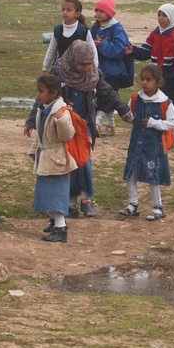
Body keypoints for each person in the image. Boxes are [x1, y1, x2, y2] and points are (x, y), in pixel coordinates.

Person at [52, 41, 131, 218]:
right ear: (73, 61)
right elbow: (46, 93)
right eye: (82, 64)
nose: (85, 68)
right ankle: (71, 203)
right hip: (65, 124)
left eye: (89, 64)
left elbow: (108, 92)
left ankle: (86, 200)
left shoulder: (94, 75)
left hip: (85, 125)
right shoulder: (59, 72)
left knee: (84, 159)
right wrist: (32, 120)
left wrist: (123, 109)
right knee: (69, 162)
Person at [119, 65, 174, 221]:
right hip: (136, 142)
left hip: (154, 146)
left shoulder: (164, 102)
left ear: (157, 82)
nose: (144, 83)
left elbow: (172, 122)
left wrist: (154, 123)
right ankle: (132, 203)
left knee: (153, 174)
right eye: (142, 79)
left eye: (148, 80)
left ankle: (158, 206)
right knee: (131, 172)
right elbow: (131, 114)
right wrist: (127, 117)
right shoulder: (136, 98)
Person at [29, 74, 79, 243]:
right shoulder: (43, 109)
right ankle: (54, 221)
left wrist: (61, 120)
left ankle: (60, 227)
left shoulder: (60, 112)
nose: (38, 94)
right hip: (45, 157)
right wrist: (32, 150)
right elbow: (40, 133)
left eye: (41, 91)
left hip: (56, 160)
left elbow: (67, 136)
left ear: (53, 93)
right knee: (45, 193)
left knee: (55, 195)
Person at [131, 3, 174, 114]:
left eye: (164, 15)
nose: (161, 18)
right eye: (159, 15)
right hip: (157, 74)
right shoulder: (155, 34)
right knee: (161, 98)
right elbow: (145, 52)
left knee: (169, 98)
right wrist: (132, 51)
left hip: (173, 75)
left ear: (172, 17)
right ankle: (170, 123)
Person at [91, 0, 131, 137]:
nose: (98, 14)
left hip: (114, 71)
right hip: (100, 70)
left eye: (102, 11)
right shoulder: (95, 28)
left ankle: (96, 123)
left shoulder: (117, 29)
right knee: (107, 98)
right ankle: (111, 126)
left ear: (110, 13)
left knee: (103, 98)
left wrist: (101, 45)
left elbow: (119, 50)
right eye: (97, 11)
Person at [41, 0, 99, 76]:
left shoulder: (84, 31)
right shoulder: (57, 30)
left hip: (78, 72)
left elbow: (92, 50)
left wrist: (95, 68)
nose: (65, 12)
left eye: (68, 10)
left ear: (77, 13)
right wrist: (44, 68)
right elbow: (51, 50)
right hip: (60, 70)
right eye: (63, 9)